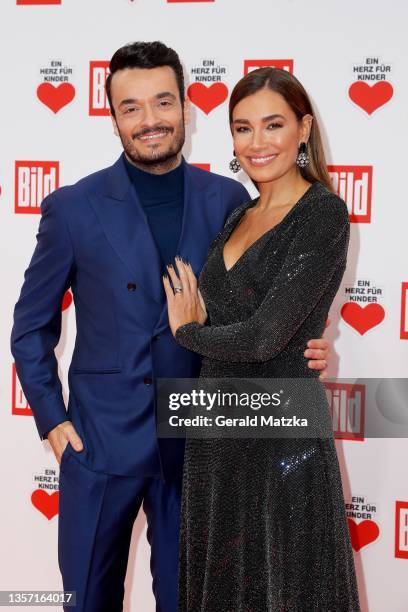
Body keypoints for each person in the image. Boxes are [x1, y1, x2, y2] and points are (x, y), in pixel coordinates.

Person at [11, 42, 330, 612]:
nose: (150, 120)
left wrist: (305, 346)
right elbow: (30, 326)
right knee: (85, 600)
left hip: (200, 445)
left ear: (186, 107)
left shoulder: (230, 200)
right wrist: (53, 422)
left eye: (162, 102)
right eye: (131, 107)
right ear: (113, 119)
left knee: (194, 601)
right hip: (100, 442)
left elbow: (258, 303)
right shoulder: (73, 207)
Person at [164, 67, 360, 611]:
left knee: (288, 583)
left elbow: (263, 337)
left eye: (273, 124)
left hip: (281, 436)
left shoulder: (323, 213)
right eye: (242, 128)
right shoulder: (237, 217)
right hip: (216, 435)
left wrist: (190, 332)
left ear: (303, 128)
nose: (257, 142)